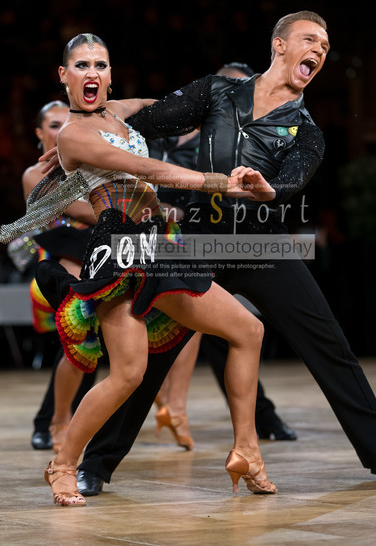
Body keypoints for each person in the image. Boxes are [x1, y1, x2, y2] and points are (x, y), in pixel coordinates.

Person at [69, 12, 376, 497]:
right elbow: (150, 119)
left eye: (325, 46)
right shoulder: (218, 92)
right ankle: (97, 463)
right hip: (199, 241)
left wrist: (266, 188)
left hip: (262, 244)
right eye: (310, 40)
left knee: (328, 343)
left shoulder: (307, 131)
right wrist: (86, 127)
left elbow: (290, 183)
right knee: (157, 351)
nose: (319, 50)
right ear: (279, 45)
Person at [2, 32, 277, 506]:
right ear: (64, 76)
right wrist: (219, 183)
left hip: (158, 244)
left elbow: (171, 107)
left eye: (101, 65)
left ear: (111, 74)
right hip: (120, 250)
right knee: (128, 373)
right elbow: (146, 169)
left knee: (248, 330)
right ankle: (63, 464)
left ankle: (247, 452)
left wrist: (228, 98)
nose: (93, 73)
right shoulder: (74, 134)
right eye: (82, 65)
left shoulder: (118, 112)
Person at [150, 61, 296, 451]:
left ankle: (180, 407)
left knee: (219, 327)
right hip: (147, 233)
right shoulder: (170, 127)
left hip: (199, 238)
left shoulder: (234, 145)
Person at [21, 101, 97, 453]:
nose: (61, 131)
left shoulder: (92, 166)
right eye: (54, 125)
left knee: (90, 346)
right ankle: (53, 421)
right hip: (55, 263)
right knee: (79, 337)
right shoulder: (34, 174)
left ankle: (67, 422)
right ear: (39, 133)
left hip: (96, 257)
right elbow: (79, 211)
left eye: (67, 124)